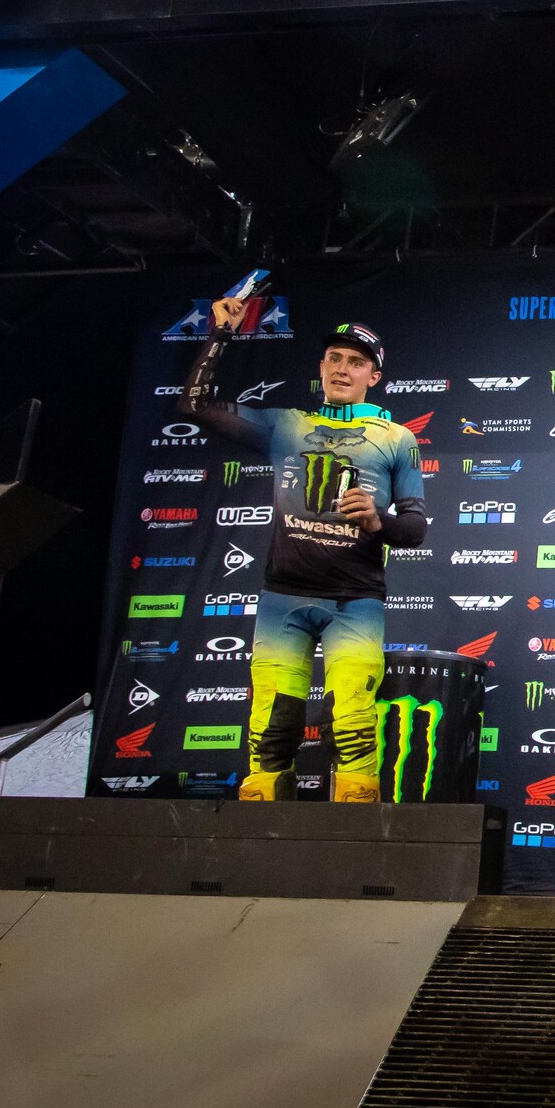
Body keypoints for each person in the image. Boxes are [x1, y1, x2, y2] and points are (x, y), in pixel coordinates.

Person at [181, 303, 426, 801]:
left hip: (355, 601)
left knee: (353, 725)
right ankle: (263, 840)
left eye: (356, 362)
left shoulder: (398, 439)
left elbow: (416, 529)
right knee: (271, 729)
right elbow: (195, 407)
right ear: (321, 367)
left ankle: (354, 839)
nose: (342, 368)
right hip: (283, 599)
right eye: (334, 358)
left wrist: (377, 521)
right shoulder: (286, 425)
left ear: (374, 377)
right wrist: (220, 334)